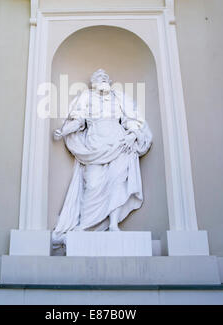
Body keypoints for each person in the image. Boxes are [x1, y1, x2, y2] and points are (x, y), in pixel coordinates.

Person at [52, 69, 152, 247]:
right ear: (93, 82)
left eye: (106, 77)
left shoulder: (118, 97)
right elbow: (78, 120)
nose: (103, 78)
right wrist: (64, 131)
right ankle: (84, 226)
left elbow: (131, 119)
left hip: (120, 145)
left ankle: (113, 225)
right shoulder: (86, 98)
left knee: (117, 182)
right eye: (99, 77)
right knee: (93, 185)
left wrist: (133, 135)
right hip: (94, 146)